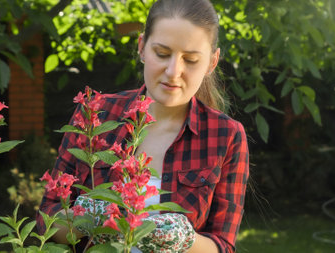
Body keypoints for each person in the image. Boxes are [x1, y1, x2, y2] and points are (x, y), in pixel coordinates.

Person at [37, 0, 249, 252]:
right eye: (162, 53)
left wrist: (185, 240)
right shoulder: (96, 113)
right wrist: (88, 220)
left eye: (191, 59)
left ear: (212, 63)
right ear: (141, 48)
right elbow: (46, 220)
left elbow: (223, 245)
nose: (173, 71)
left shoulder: (225, 135)